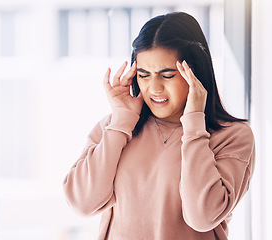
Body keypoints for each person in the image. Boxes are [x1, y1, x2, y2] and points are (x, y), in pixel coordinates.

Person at [63, 12, 255, 240]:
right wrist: (121, 122)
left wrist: (194, 124)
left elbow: (202, 217)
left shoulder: (232, 136)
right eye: (144, 75)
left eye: (167, 75)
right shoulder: (116, 127)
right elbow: (82, 202)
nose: (154, 88)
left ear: (194, 73)